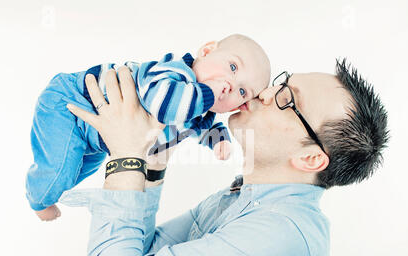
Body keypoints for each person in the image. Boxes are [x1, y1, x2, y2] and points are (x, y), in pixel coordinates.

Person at [59, 58, 389, 256]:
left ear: (311, 158)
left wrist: (125, 156)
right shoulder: (244, 198)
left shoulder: (279, 237)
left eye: (288, 100)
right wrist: (151, 161)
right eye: (282, 82)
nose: (266, 92)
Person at [26, 34, 271, 221]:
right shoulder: (173, 73)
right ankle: (39, 199)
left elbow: (205, 126)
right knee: (60, 170)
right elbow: (163, 104)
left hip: (95, 136)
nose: (229, 84)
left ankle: (53, 190)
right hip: (71, 103)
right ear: (206, 51)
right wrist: (208, 92)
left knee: (82, 169)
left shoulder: (198, 110)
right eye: (232, 67)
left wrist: (220, 141)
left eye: (241, 91)